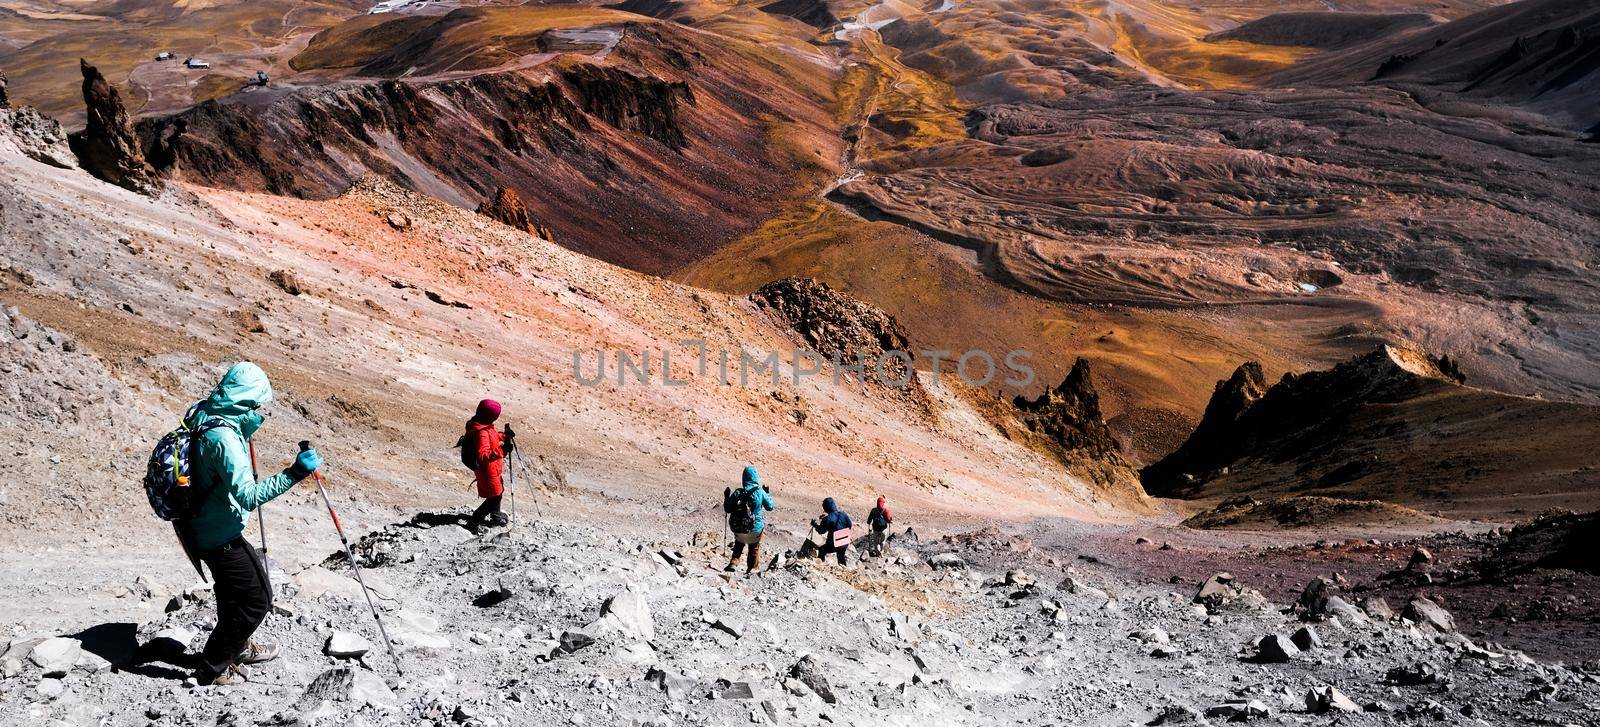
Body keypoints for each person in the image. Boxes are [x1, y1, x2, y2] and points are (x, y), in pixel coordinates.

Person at [180, 362, 321, 686]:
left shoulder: (203, 411)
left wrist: (244, 425)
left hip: (200, 524)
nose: (260, 409)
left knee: (232, 595)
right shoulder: (225, 440)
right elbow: (247, 496)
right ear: (244, 400)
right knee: (258, 600)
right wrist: (295, 472)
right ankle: (213, 667)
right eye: (256, 403)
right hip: (219, 533)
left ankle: (237, 647)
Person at [463, 399, 512, 533]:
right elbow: (483, 455)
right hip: (488, 470)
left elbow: (492, 437)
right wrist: (502, 450)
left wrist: (503, 436)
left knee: (498, 492)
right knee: (494, 496)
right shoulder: (482, 432)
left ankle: (496, 516)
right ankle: (474, 521)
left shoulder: (481, 425)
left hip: (492, 468)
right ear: (492, 417)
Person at [723, 466, 774, 574]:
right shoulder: (760, 492)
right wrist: (767, 493)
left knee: (739, 543)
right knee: (754, 547)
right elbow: (770, 507)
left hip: (739, 526)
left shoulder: (738, 492)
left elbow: (728, 509)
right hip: (755, 526)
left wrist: (727, 496)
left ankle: (733, 563)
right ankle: (752, 569)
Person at [815, 497, 853, 566]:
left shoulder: (827, 518)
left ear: (826, 507)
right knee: (841, 556)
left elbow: (821, 531)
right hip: (845, 542)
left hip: (834, 543)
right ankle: (844, 569)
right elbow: (849, 525)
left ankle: (820, 566)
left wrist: (815, 525)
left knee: (822, 550)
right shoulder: (843, 514)